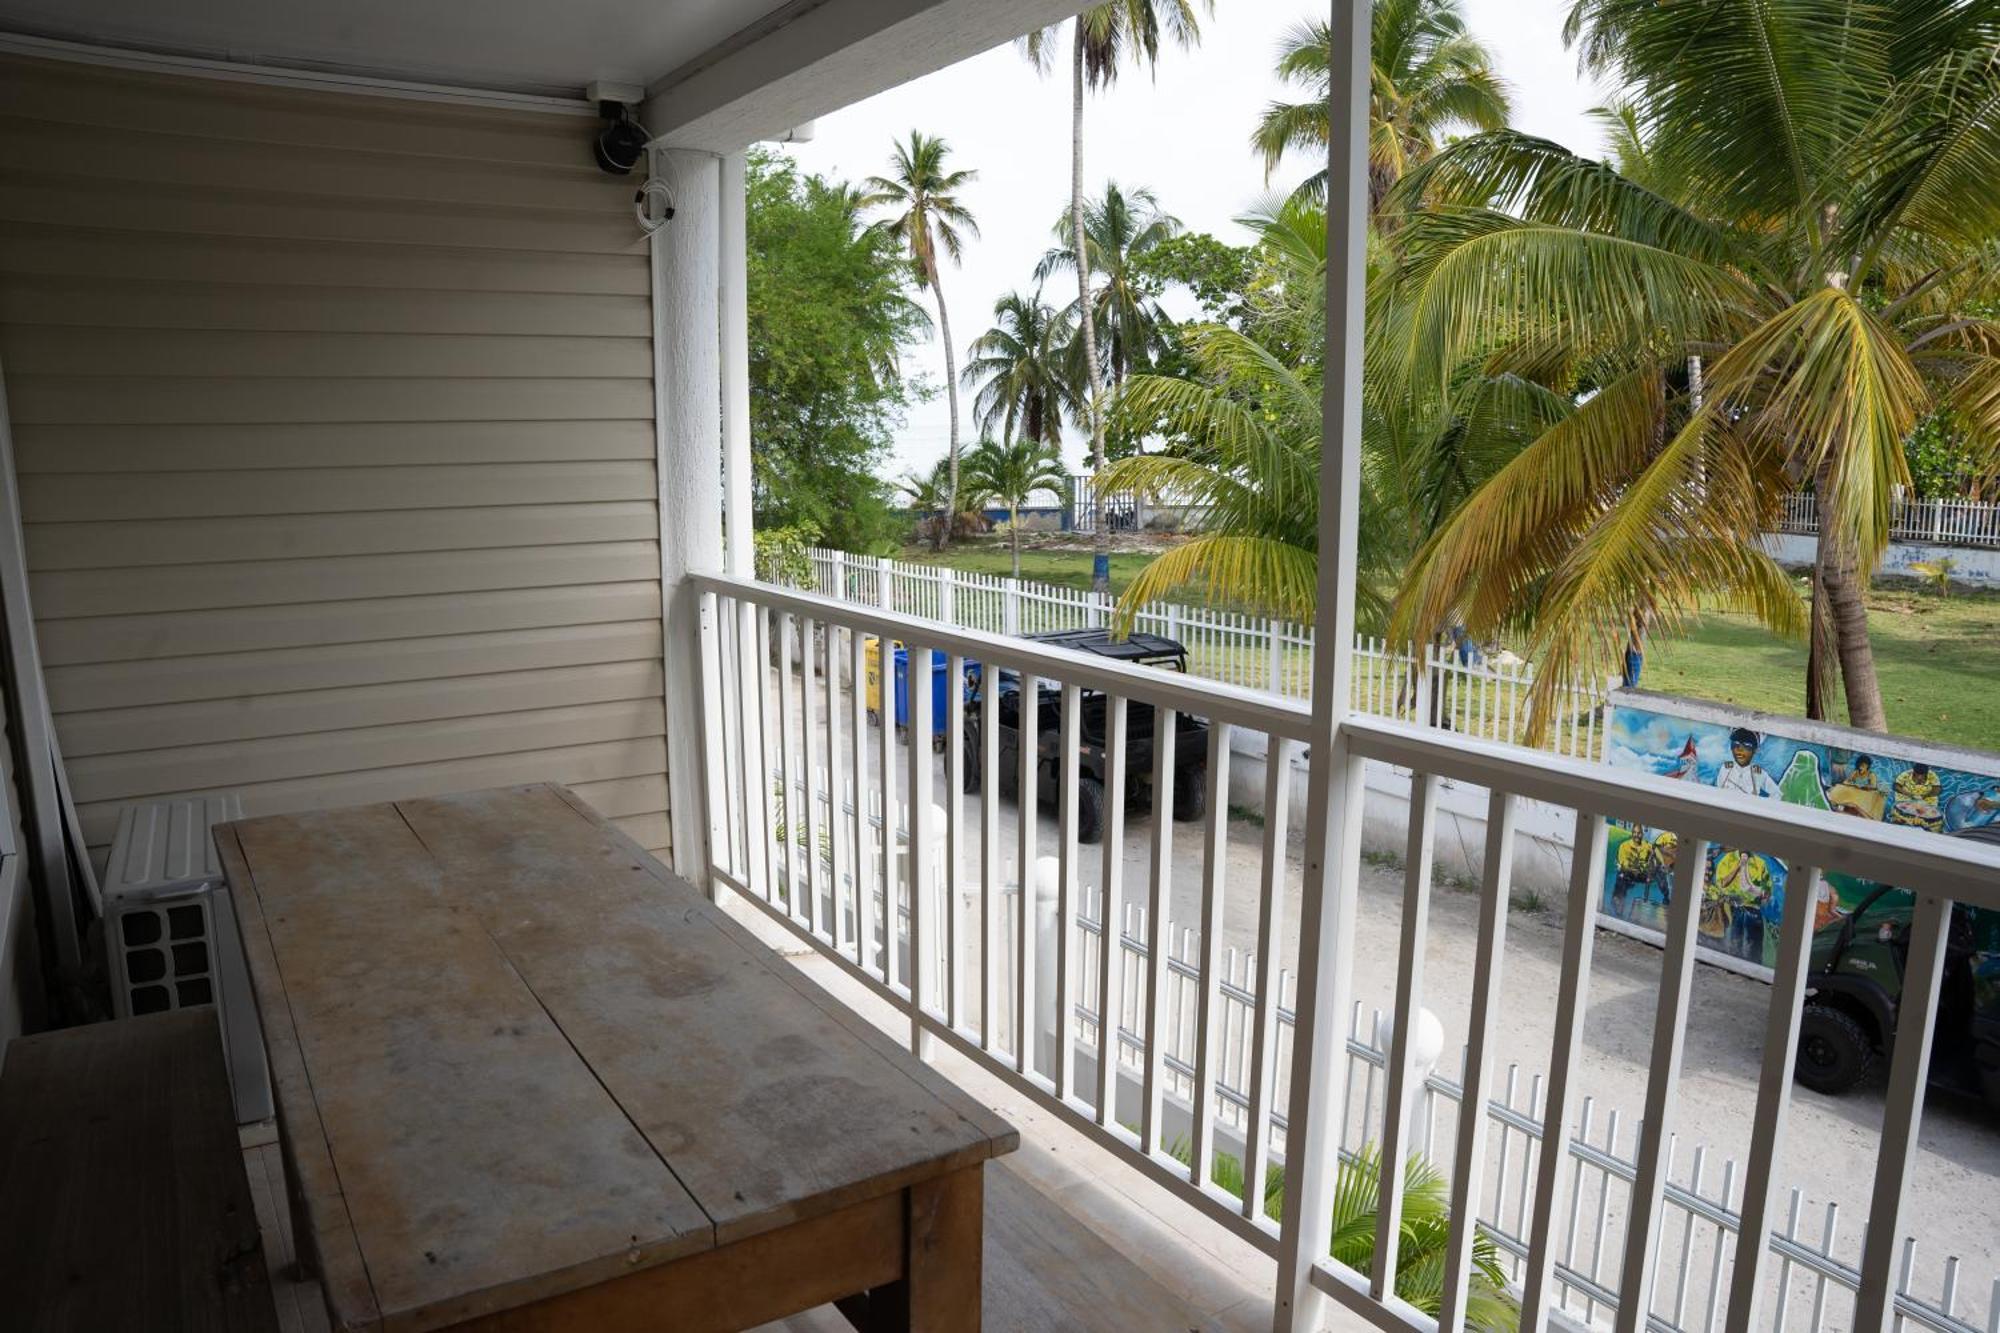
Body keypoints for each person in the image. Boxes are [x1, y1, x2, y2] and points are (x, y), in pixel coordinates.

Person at [1611, 828, 1678, 918]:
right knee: (1624, 875)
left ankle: (1667, 899)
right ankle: (1618, 898)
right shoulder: (1665, 841)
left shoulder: (1670, 844)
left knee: (1662, 883)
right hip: (1643, 865)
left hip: (1653, 867)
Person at [1714, 727, 1780, 799]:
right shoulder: (1725, 768)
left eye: (1746, 745)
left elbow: (1777, 793)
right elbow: (1718, 791)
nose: (1740, 749)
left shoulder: (1758, 774)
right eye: (1736, 744)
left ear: (1755, 750)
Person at [1890, 761, 1944, 832]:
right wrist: (1909, 794)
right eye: (1917, 774)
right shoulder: (1906, 774)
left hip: (1927, 803)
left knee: (1929, 822)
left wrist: (1925, 795)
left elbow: (1938, 789)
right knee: (1900, 819)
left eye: (1922, 775)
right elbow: (1896, 786)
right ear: (1914, 771)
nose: (1919, 777)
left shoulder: (1932, 775)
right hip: (1907, 801)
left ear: (1926, 773)